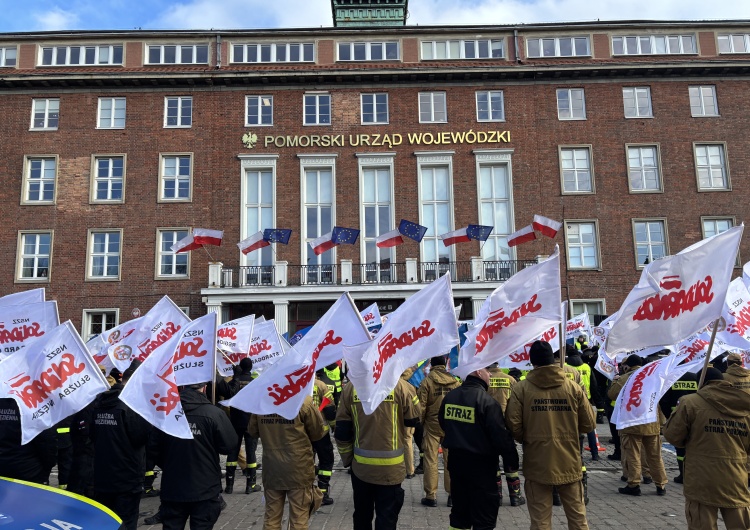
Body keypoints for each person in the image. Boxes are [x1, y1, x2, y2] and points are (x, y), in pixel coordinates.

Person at [505, 340, 596, 530]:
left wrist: (529, 438)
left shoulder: (521, 388)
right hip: (569, 461)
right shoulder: (573, 387)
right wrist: (570, 432)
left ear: (532, 362)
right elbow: (588, 423)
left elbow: (514, 425)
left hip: (537, 461)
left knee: (540, 522)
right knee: (578, 519)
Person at [664, 368, 750, 530]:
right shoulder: (744, 404)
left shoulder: (690, 402)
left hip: (701, 477)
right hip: (735, 476)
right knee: (740, 523)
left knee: (702, 524)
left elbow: (673, 436)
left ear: (701, 383)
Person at [439, 367, 521, 529]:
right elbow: (501, 438)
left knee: (459, 516)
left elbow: (443, 423)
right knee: (484, 518)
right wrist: (512, 461)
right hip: (482, 469)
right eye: (486, 370)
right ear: (477, 371)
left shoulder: (450, 397)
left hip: (456, 465)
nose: (490, 373)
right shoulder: (487, 402)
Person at [335, 377, 420, 530]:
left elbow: (341, 431)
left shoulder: (350, 388)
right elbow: (413, 419)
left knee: (362, 516)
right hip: (391, 469)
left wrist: (348, 460)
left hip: (361, 469)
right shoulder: (401, 386)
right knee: (387, 519)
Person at [156, 382, 236, 530]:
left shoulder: (165, 413)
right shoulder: (214, 413)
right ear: (204, 388)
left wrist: (171, 464)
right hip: (205, 487)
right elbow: (229, 446)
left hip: (174, 486)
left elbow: (153, 449)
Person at [249, 394, 326, 530]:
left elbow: (252, 431)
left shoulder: (262, 400)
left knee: (271, 517)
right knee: (299, 518)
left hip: (272, 467)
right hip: (298, 467)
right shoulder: (303, 399)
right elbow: (317, 432)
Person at [90, 360, 151, 530]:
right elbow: (141, 437)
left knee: (106, 522)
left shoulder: (100, 402)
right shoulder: (132, 405)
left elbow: (92, 435)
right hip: (127, 476)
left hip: (103, 475)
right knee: (127, 521)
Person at [608, 354, 668, 496]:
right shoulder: (653, 376)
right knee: (655, 455)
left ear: (627, 366)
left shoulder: (625, 378)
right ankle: (661, 485)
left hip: (631, 422)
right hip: (651, 421)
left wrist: (615, 381)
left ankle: (634, 484)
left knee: (633, 454)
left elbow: (612, 394)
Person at [417, 355, 460, 507]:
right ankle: (453, 495)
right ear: (445, 364)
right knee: (452, 461)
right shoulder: (455, 382)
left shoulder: (427, 382)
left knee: (430, 460)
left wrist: (421, 423)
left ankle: (431, 496)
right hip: (451, 426)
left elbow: (421, 407)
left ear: (432, 365)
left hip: (432, 425)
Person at [486, 362, 525, 506]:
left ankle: (497, 495)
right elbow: (517, 404)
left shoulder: (485, 379)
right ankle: (515, 496)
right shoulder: (510, 379)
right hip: (506, 426)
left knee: (492, 462)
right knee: (510, 462)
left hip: (489, 426)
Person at [223, 358, 262, 494]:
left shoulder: (234, 382)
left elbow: (227, 396)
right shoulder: (255, 383)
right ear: (251, 368)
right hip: (250, 422)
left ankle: (229, 485)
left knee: (232, 452)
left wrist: (235, 377)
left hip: (235, 421)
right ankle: (250, 485)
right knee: (251, 453)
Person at [0, 398, 56, 484]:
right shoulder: (33, 404)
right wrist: (47, 467)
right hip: (30, 472)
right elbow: (46, 441)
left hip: (8, 468)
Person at [659, 371, 698, 484]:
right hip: (694, 417)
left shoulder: (672, 376)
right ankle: (692, 474)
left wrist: (669, 417)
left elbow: (664, 400)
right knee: (693, 446)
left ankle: (682, 475)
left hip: (677, 418)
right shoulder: (694, 376)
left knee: (680, 447)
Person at [566, 347, 599, 461]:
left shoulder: (565, 368)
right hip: (586, 399)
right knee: (590, 426)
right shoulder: (586, 367)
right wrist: (599, 405)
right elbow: (594, 386)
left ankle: (573, 454)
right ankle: (595, 453)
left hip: (569, 401)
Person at [312, 369, 338, 505]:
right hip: (321, 431)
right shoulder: (321, 385)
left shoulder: (297, 386)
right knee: (326, 460)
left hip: (302, 433)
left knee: (306, 462)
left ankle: (306, 491)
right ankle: (322, 492)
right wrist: (334, 426)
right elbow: (329, 408)